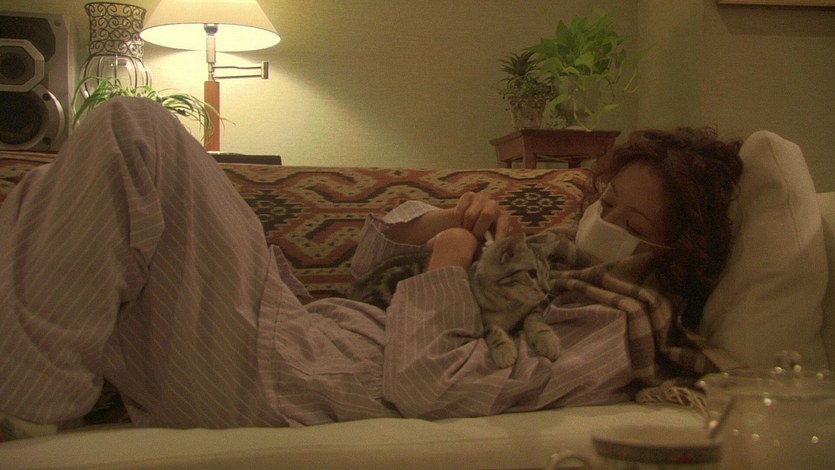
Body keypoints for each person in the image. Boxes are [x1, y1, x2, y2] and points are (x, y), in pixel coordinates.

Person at [0, 97, 742, 434]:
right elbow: (367, 267)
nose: (602, 224)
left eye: (631, 225)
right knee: (49, 192)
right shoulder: (557, 260)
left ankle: (26, 413)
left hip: (281, 379)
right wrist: (440, 225)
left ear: (675, 253)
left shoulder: (617, 329)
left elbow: (429, 384)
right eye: (605, 201)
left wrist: (449, 266)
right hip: (291, 329)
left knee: (133, 133)